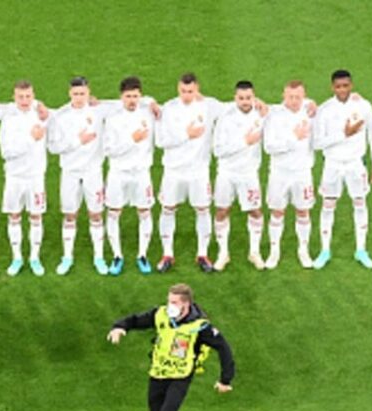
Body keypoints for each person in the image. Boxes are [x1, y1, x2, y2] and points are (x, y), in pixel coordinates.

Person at [107, 283, 235, 411]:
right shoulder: (161, 315)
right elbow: (136, 320)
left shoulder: (199, 327)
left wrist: (225, 379)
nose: (170, 306)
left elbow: (224, 348)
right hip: (158, 374)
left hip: (180, 377)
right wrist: (119, 326)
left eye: (174, 302)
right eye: (169, 301)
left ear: (186, 304)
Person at [155, 73, 232, 273]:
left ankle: (202, 254)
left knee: (202, 209)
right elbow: (160, 141)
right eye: (183, 91)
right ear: (177, 89)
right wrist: (185, 135)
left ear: (197, 88)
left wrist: (259, 103)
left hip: (199, 171)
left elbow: (235, 107)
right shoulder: (169, 109)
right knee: (168, 208)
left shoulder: (209, 106)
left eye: (190, 91)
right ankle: (167, 254)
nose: (186, 95)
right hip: (173, 170)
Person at [47, 76, 120, 276]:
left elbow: (124, 102)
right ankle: (67, 257)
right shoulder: (60, 115)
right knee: (70, 215)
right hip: (70, 172)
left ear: (89, 93)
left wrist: (151, 103)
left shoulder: (98, 110)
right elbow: (53, 147)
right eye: (76, 94)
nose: (79, 98)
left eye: (83, 93)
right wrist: (77, 141)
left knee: (96, 214)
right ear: (69, 93)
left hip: (93, 172)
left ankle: (99, 257)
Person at [314, 69, 372, 269]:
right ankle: (324, 250)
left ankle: (361, 250)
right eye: (338, 86)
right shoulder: (324, 110)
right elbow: (317, 143)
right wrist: (344, 134)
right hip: (332, 165)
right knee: (328, 205)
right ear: (332, 87)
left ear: (351, 85)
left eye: (345, 86)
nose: (342, 90)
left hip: (355, 163)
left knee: (360, 202)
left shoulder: (364, 106)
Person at [102, 76, 157, 276]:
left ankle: (142, 255)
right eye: (128, 96)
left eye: (135, 96)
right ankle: (117, 256)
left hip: (142, 173)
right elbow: (109, 150)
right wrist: (131, 140)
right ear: (121, 97)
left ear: (140, 96)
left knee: (144, 211)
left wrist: (150, 102)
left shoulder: (149, 113)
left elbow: (153, 102)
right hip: (118, 173)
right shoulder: (113, 119)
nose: (132, 100)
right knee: (114, 212)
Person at [212, 81, 267, 270]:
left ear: (254, 97)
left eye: (248, 98)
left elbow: (288, 107)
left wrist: (310, 105)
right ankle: (223, 253)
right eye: (241, 98)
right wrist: (245, 142)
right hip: (226, 173)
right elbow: (218, 150)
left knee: (255, 211)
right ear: (235, 98)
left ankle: (254, 252)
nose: (245, 101)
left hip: (249, 174)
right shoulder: (225, 119)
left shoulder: (262, 115)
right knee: (221, 211)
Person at [0, 80, 50, 276]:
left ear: (33, 96)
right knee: (14, 216)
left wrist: (40, 106)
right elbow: (6, 152)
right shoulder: (9, 120)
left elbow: (70, 109)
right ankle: (17, 257)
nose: (25, 100)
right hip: (14, 177)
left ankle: (34, 257)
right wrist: (30, 139)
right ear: (14, 98)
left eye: (28, 96)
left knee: (36, 216)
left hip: (36, 176)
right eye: (20, 97)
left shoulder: (42, 115)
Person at [263, 81, 316, 270]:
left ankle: (303, 250)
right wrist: (293, 138)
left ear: (304, 96)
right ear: (283, 95)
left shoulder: (310, 112)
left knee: (303, 211)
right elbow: (269, 146)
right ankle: (274, 251)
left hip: (302, 173)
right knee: (277, 212)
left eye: (298, 97)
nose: (294, 101)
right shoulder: (274, 116)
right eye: (290, 97)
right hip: (280, 173)